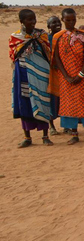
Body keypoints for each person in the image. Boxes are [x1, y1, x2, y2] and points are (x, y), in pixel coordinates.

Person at [50, 8, 84, 144]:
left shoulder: (83, 35)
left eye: (73, 20)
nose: (71, 22)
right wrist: (66, 76)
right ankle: (74, 133)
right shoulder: (58, 37)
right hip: (66, 78)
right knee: (69, 104)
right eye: (68, 20)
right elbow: (56, 59)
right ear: (62, 20)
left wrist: (81, 74)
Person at [10, 9, 55, 147]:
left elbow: (48, 53)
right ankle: (27, 137)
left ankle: (45, 136)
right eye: (29, 19)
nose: (33, 22)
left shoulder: (41, 35)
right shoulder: (16, 37)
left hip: (41, 74)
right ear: (21, 21)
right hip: (22, 73)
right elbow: (13, 55)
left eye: (34, 19)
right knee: (24, 103)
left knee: (42, 100)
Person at [46, 15, 63, 135]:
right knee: (51, 100)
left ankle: (66, 125)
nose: (57, 24)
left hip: (63, 74)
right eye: (53, 23)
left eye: (58, 22)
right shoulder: (46, 40)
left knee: (64, 100)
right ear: (48, 27)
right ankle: (51, 126)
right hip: (50, 74)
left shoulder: (64, 37)